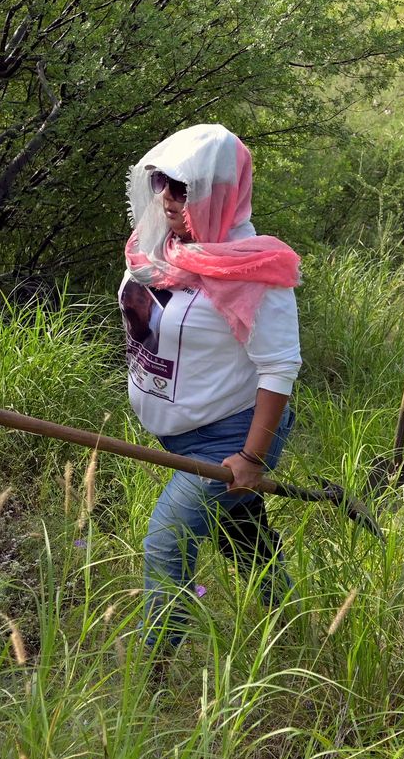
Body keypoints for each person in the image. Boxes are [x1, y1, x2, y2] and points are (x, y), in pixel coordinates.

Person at [119, 123, 302, 648]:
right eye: (162, 186)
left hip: (228, 439)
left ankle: (152, 676)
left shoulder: (253, 267)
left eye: (183, 189)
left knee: (165, 544)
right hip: (178, 433)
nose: (169, 200)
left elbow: (279, 368)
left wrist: (250, 458)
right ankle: (289, 625)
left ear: (217, 193)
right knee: (243, 536)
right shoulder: (159, 247)